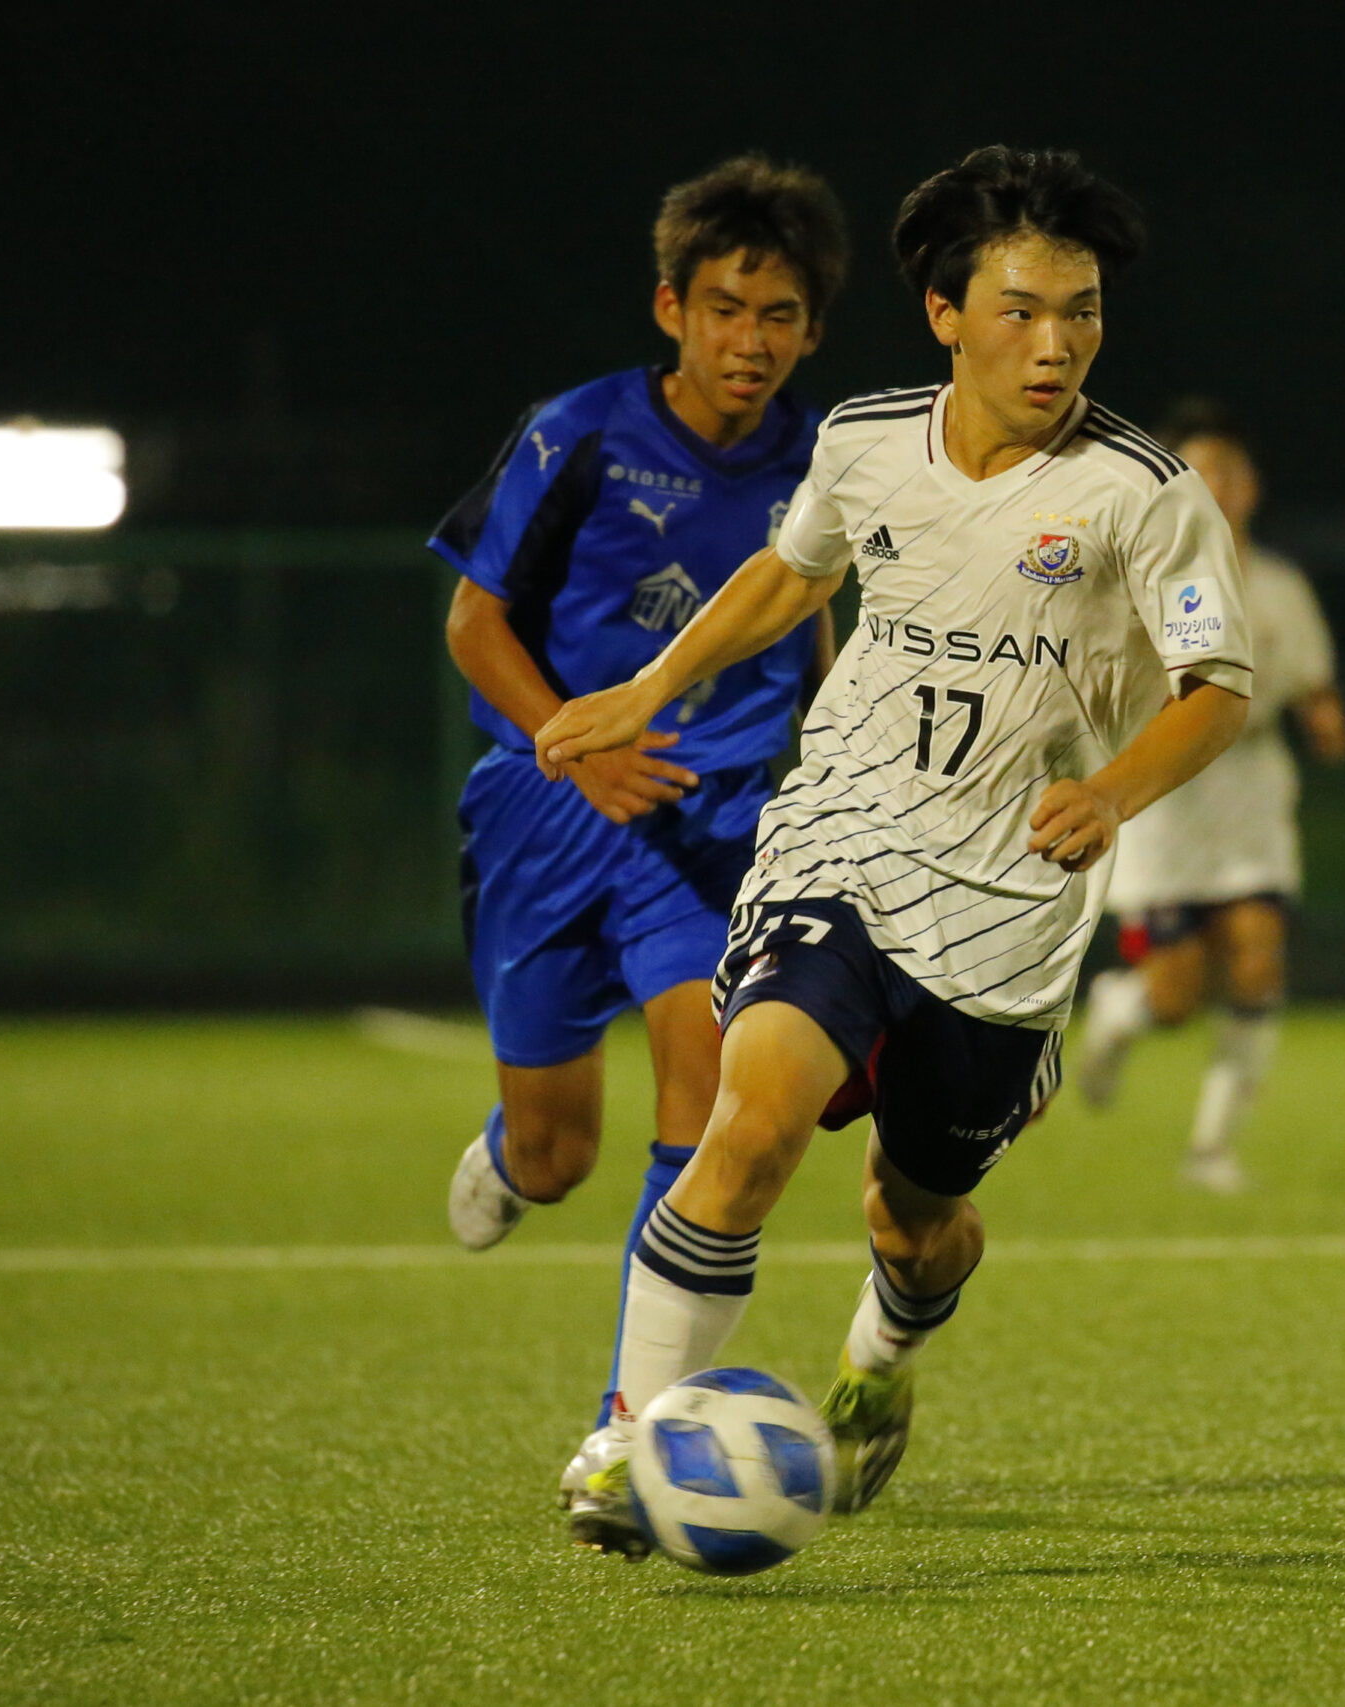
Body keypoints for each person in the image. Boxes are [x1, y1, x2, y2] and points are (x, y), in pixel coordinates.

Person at [535, 145, 1253, 1553]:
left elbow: (1218, 687)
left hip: (1010, 913)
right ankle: (633, 1433)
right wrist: (649, 686)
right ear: (944, 313)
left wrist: (1109, 790)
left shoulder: (1145, 492)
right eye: (1022, 310)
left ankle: (880, 1350)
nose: (1055, 345)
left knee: (919, 1217)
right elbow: (795, 571)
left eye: (1083, 312)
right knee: (750, 1127)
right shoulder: (864, 436)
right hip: (842, 840)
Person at [424, 156, 847, 1521]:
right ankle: (508, 1149)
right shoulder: (583, 433)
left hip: (717, 826)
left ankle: (630, 1429)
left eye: (781, 314)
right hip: (547, 810)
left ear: (812, 332)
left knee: (714, 1094)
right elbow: (473, 625)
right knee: (559, 1156)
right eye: (728, 307)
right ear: (674, 307)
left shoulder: (823, 466)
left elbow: (832, 646)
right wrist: (576, 738)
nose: (752, 340)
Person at [1070, 399, 1345, 1192]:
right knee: (1176, 990)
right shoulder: (1137, 580)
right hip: (1163, 797)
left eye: (1231, 470)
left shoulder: (1279, 586)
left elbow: (1313, 683)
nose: (1219, 486)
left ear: (1253, 485)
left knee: (1258, 957)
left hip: (1250, 794)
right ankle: (1120, 1012)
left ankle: (1211, 1147)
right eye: (1201, 470)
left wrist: (1328, 722)